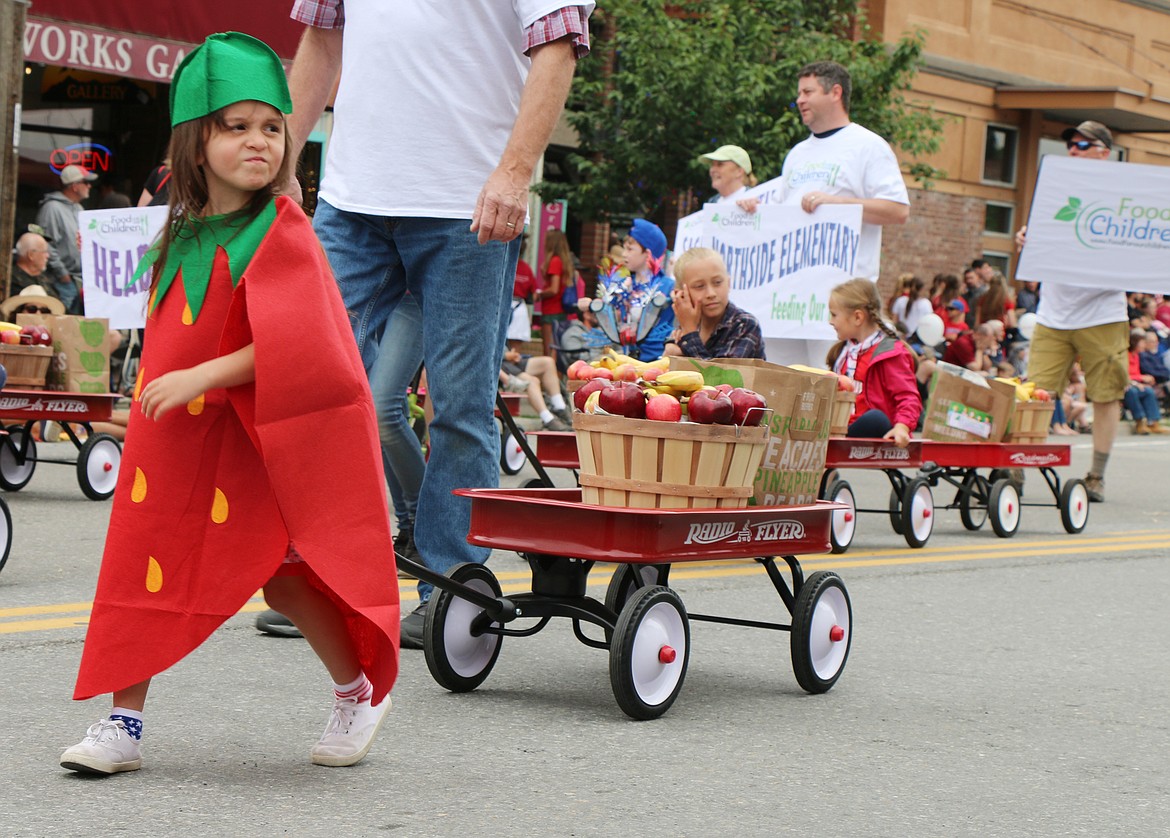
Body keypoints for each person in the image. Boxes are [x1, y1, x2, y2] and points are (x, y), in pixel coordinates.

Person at [58, 33, 399, 776]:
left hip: (253, 437)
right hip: (175, 439)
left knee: (280, 575)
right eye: (236, 125)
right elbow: (172, 334)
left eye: (272, 126)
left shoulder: (282, 230)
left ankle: (356, 688)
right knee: (140, 561)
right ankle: (124, 723)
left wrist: (201, 378)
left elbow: (305, 344)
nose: (259, 141)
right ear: (196, 138)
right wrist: (150, 383)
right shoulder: (181, 231)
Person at [283, 0, 594, 649]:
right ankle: (322, 575)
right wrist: (282, 162)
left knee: (458, 406)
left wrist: (514, 173)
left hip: (467, 205)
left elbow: (558, 49)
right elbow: (321, 39)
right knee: (309, 384)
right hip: (350, 201)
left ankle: (450, 589)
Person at [739, 60, 910, 367]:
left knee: (832, 392)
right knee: (783, 388)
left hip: (841, 304)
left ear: (835, 92)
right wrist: (758, 211)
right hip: (787, 303)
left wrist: (836, 203)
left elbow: (898, 210)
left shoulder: (868, 146)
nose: (800, 100)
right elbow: (785, 219)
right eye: (799, 93)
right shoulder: (797, 154)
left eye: (807, 92)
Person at [1016, 120, 1129, 502]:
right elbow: (1040, 235)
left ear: (1104, 152)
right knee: (1034, 393)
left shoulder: (1123, 192)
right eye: (1071, 145)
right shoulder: (1055, 187)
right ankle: (1014, 471)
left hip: (1103, 311)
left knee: (1106, 394)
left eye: (1083, 144)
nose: (1074, 150)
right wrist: (1026, 240)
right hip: (1054, 312)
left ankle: (1096, 474)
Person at [826, 277, 921, 447]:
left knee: (875, 419)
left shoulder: (890, 354)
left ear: (857, 317)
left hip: (875, 432)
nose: (830, 321)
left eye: (834, 315)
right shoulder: (844, 352)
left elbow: (908, 397)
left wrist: (902, 427)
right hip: (842, 426)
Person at [592, 219, 675, 361]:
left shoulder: (668, 286)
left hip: (658, 361)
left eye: (630, 249)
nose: (624, 254)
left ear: (648, 254)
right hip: (626, 359)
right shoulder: (624, 284)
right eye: (624, 248)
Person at [663, 247, 764, 359]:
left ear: (728, 283)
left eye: (717, 282)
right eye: (699, 286)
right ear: (681, 293)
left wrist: (689, 334)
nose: (711, 294)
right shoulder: (688, 321)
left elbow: (720, 376)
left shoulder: (744, 325)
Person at [36, 164, 95, 314]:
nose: (90, 186)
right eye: (86, 182)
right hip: (62, 282)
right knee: (63, 327)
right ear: (75, 186)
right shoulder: (52, 208)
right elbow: (46, 244)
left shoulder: (79, 209)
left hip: (79, 280)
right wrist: (63, 275)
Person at [500, 347, 571, 430]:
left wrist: (512, 354)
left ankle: (560, 407)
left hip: (509, 361)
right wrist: (505, 355)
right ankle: (548, 419)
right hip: (498, 366)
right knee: (532, 381)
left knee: (548, 362)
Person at [538, 229, 575, 362]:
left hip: (551, 311)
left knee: (549, 350)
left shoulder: (554, 261)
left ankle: (550, 380)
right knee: (557, 349)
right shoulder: (562, 261)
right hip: (560, 310)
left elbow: (553, 289)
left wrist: (539, 294)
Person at [1126, 329, 1168, 435]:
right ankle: (1140, 422)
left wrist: (1142, 379)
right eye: (1142, 342)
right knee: (1132, 392)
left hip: (1136, 383)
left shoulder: (1137, 356)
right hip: (1127, 385)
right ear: (1135, 343)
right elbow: (1124, 375)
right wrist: (1138, 381)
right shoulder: (1126, 356)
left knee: (1148, 391)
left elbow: (1137, 373)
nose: (1144, 344)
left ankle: (1154, 423)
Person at [8, 232, 58, 299]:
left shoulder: (43, 278)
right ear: (31, 255)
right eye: (44, 252)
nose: (48, 256)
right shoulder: (12, 283)